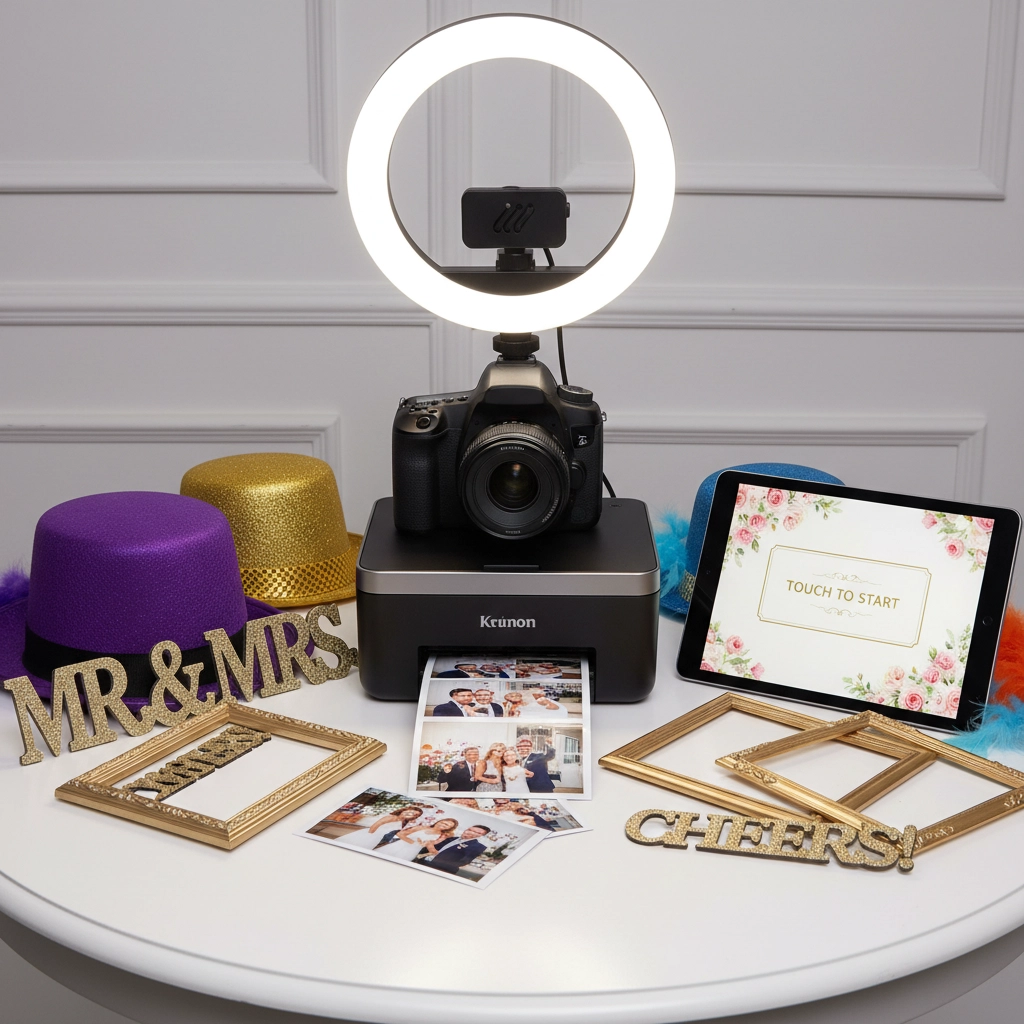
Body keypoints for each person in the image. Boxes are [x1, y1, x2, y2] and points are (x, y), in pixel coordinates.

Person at [421, 824, 491, 875]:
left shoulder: (478, 846)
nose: (470, 832)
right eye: (469, 830)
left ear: (481, 836)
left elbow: (463, 861)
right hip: (422, 863)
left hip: (440, 870)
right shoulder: (451, 838)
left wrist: (436, 865)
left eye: (477, 832)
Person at [343, 806, 423, 850]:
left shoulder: (404, 822)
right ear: (405, 810)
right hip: (372, 834)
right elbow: (375, 825)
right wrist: (369, 837)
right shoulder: (392, 817)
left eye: (415, 815)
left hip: (379, 838)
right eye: (411, 811)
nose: (411, 814)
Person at [384, 817, 459, 862]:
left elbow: (430, 846)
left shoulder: (440, 836)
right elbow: (400, 834)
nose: (443, 825)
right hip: (398, 846)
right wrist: (413, 842)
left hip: (411, 852)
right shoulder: (422, 827)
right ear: (439, 821)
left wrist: (436, 853)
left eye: (447, 825)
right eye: (443, 822)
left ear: (449, 828)